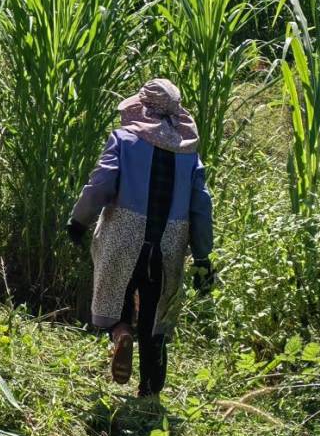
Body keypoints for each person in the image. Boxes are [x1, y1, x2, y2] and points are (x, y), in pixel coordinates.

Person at [67, 78, 214, 396]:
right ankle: (149, 394)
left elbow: (102, 182)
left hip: (123, 232)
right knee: (155, 315)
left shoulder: (124, 139)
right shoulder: (189, 154)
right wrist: (202, 255)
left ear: (142, 106)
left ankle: (120, 332)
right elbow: (201, 205)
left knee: (115, 295)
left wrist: (78, 221)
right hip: (169, 243)